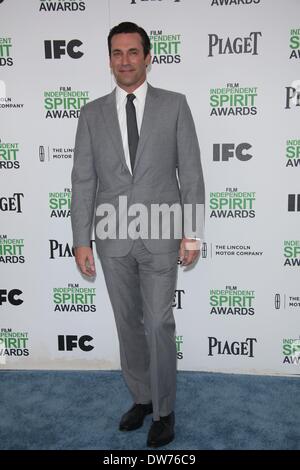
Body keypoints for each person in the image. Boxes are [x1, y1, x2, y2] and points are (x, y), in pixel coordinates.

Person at [71, 21, 205, 448]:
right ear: (109, 59)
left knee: (159, 324)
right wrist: (80, 239)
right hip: (112, 239)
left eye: (132, 52)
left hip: (164, 235)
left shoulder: (175, 105)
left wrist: (193, 233)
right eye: (116, 53)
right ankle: (142, 398)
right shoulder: (91, 113)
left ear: (148, 57)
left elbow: (193, 175)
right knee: (128, 324)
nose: (124, 60)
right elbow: (83, 181)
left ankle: (165, 411)